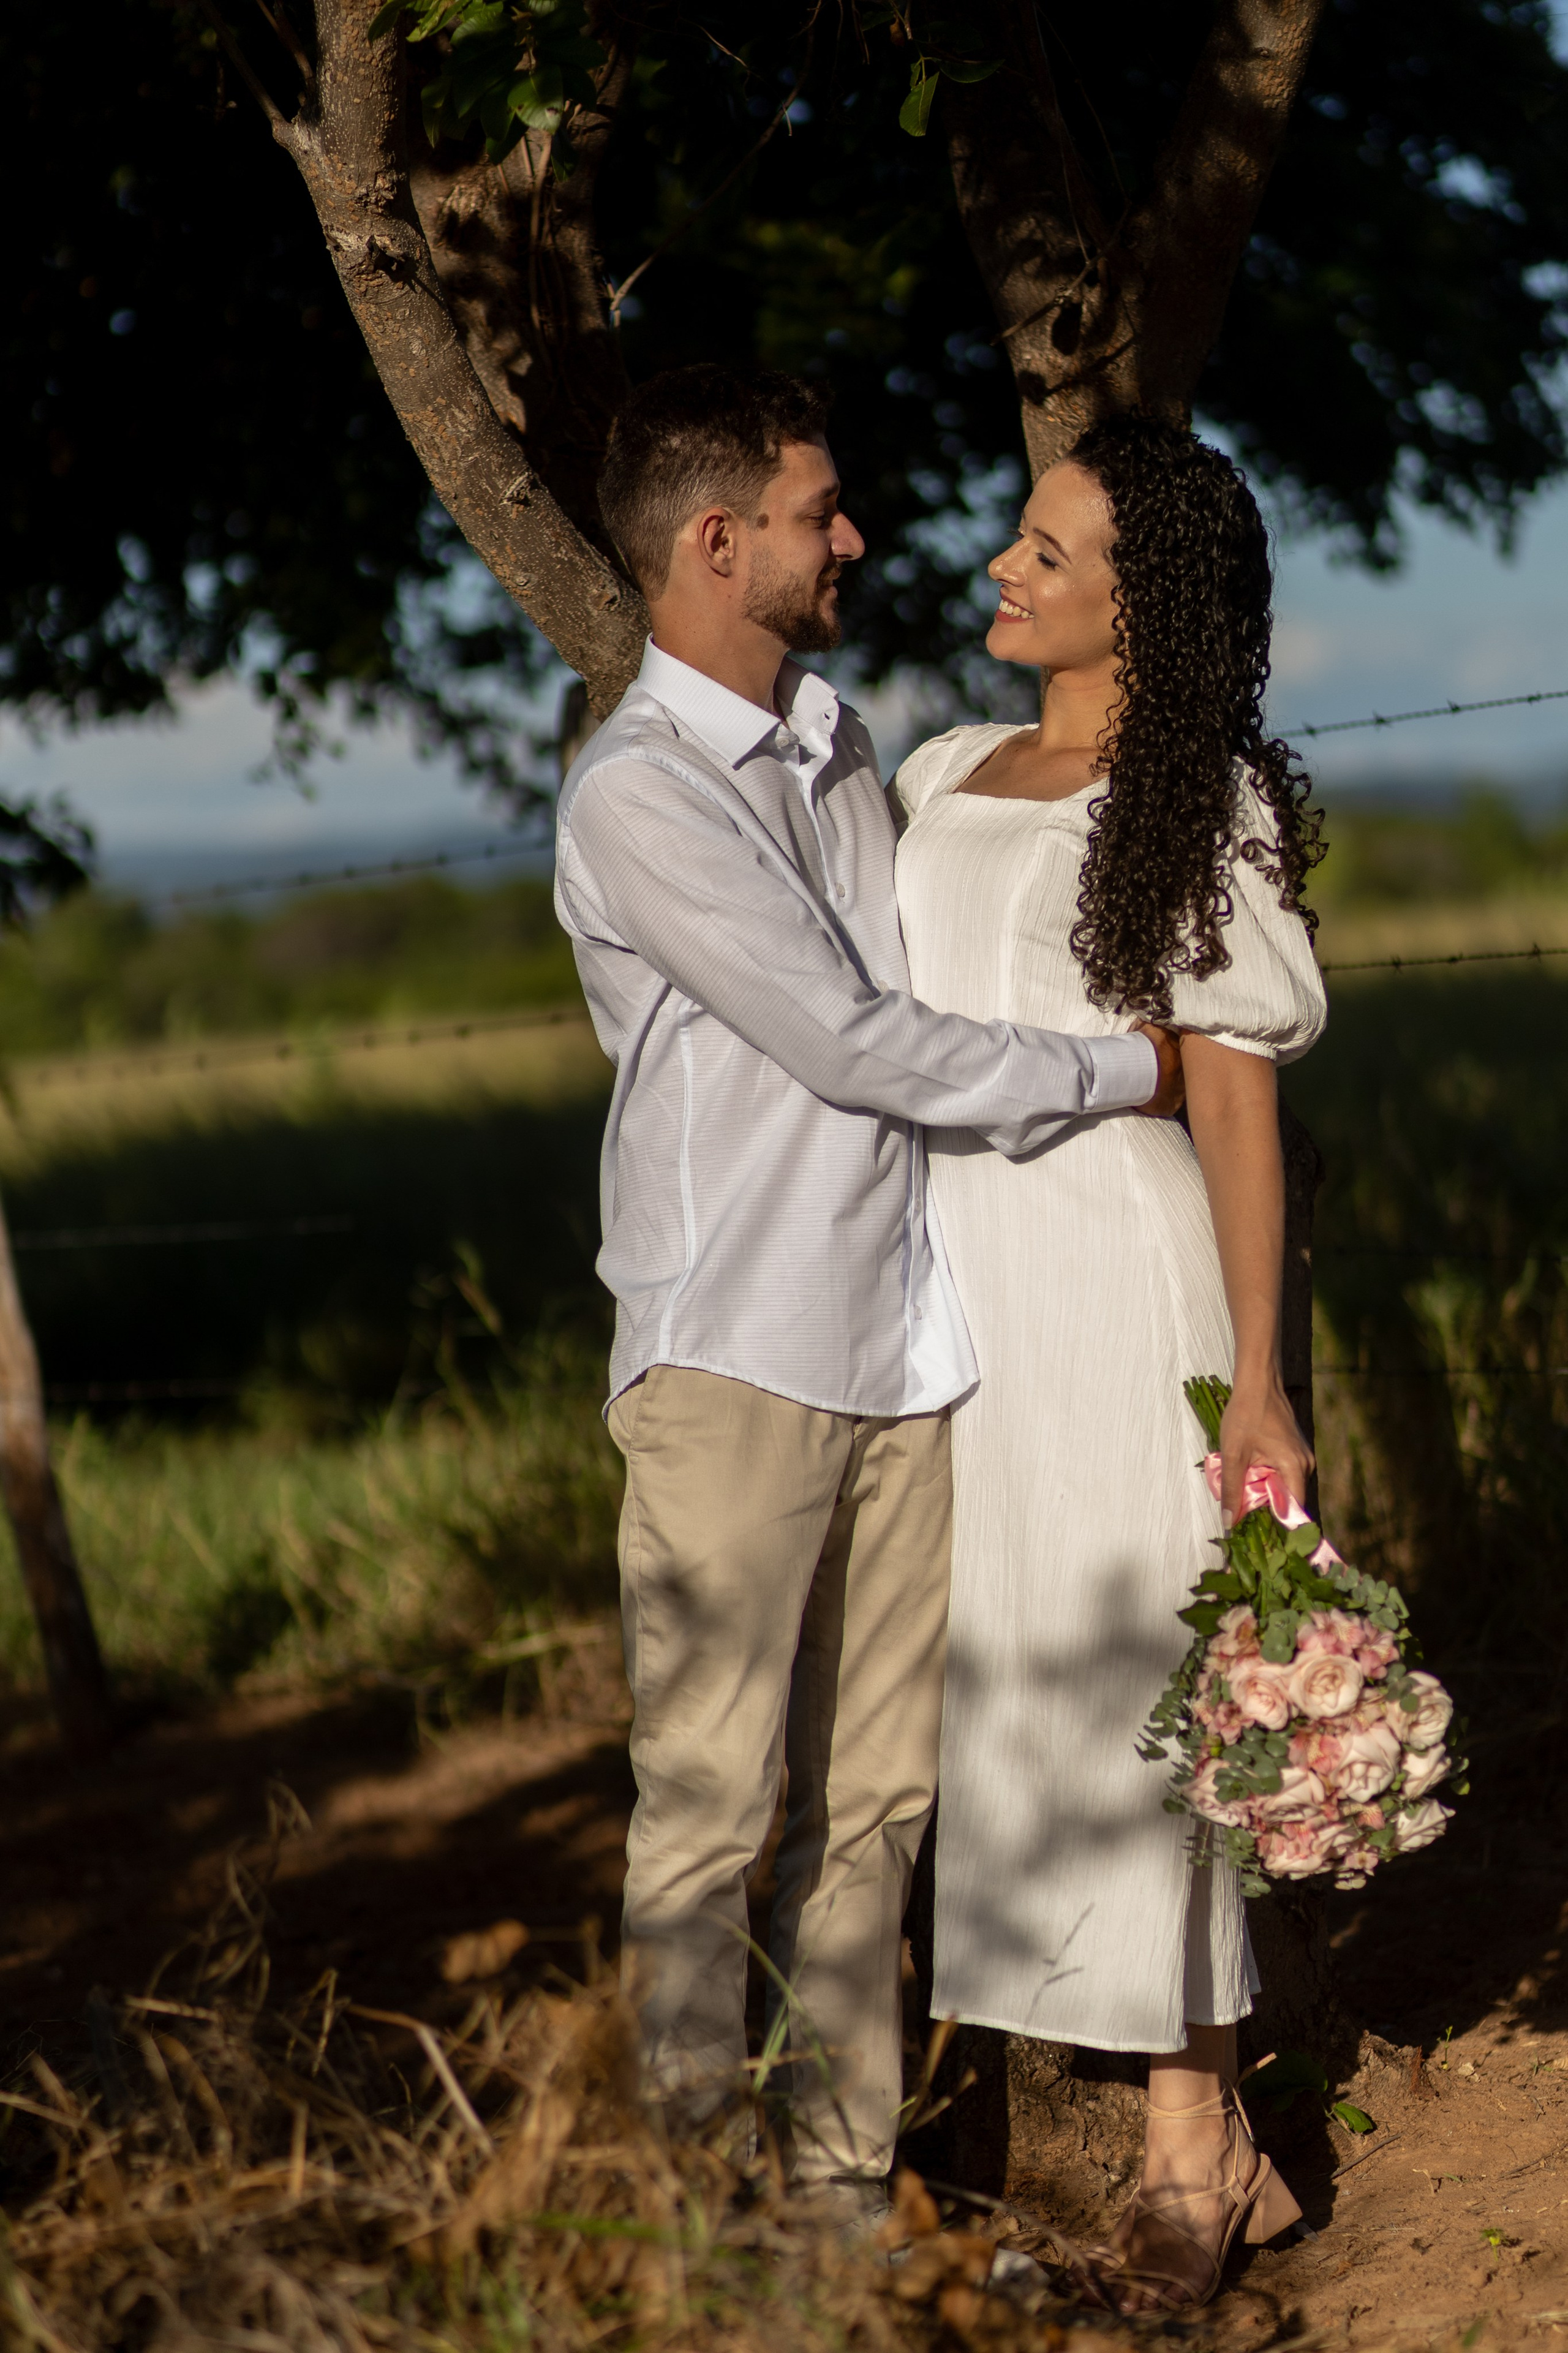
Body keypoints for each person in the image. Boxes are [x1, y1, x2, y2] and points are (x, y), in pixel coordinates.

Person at [552, 365, 1183, 2199]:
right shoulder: (637, 795)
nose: (859, 536)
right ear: (713, 541)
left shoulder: (838, 738)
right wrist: (1131, 1069)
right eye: (823, 510)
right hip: (737, 1354)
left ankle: (832, 2207)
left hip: (910, 1348)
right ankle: (690, 2218)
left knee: (877, 1807)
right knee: (705, 1810)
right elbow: (856, 1039)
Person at [892, 411, 1329, 2308]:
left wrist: (1259, 1371)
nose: (1004, 562)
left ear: (1138, 604)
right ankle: (981, 2090)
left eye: (1048, 550)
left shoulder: (1197, 798)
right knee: (1004, 1674)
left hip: (1122, 1276)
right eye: (1019, 535)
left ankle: (1194, 2133)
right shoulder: (932, 772)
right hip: (957, 1291)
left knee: (1152, 1684)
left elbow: (1233, 1110)